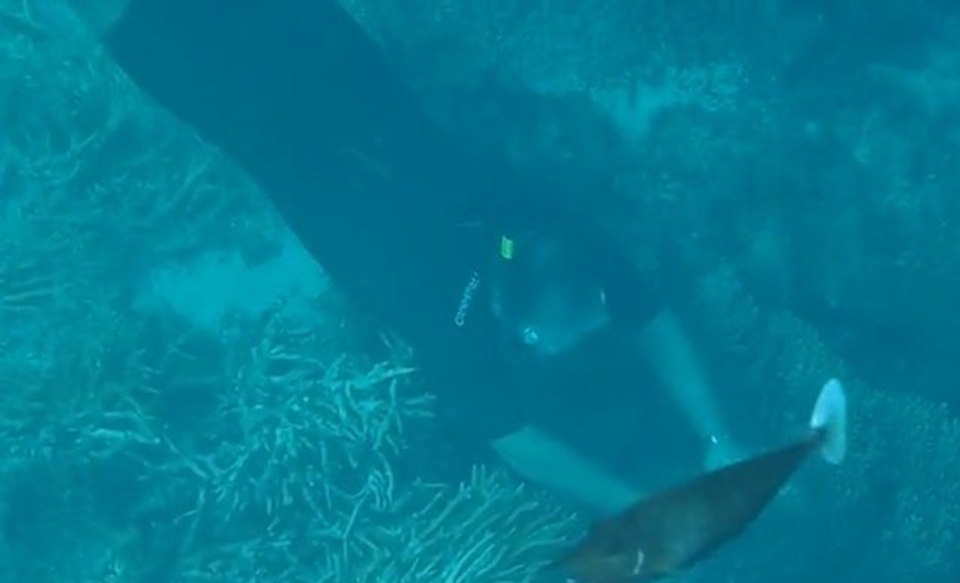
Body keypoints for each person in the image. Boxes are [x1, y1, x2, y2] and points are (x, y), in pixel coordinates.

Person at [101, 0, 741, 513]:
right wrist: (633, 507)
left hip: (331, 67)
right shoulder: (447, 317)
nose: (585, 340)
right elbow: (517, 440)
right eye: (556, 338)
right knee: (120, 20)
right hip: (277, 100)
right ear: (504, 313)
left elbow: (647, 316)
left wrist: (718, 435)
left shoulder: (555, 232)